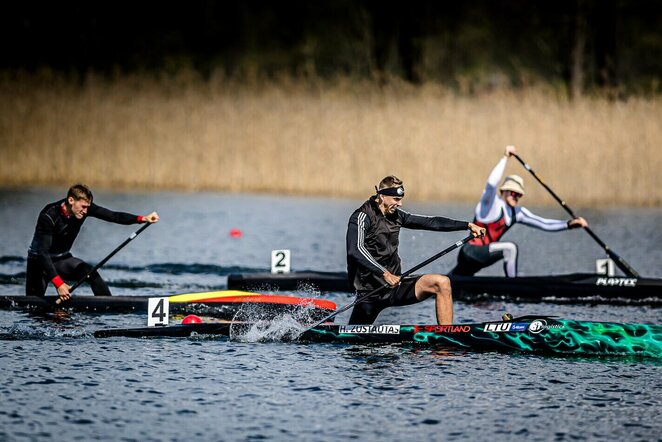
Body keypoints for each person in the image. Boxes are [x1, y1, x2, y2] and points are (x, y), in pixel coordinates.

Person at [346, 175, 485, 325]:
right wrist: (384, 273)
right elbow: (355, 249)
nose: (400, 204)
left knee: (442, 282)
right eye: (396, 199)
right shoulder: (361, 216)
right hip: (370, 293)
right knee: (355, 344)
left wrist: (467, 225)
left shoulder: (397, 216)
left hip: (395, 287)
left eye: (401, 199)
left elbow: (431, 222)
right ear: (382, 196)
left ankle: (446, 336)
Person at [449, 145, 588, 278]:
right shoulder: (490, 204)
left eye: (519, 194)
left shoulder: (518, 212)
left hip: (481, 257)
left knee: (451, 281)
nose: (516, 197)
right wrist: (505, 157)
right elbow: (491, 183)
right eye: (513, 193)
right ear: (503, 191)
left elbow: (544, 224)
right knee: (510, 248)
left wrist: (569, 224)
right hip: (470, 252)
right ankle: (513, 285)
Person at [26, 184, 159, 300]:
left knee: (91, 273)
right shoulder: (49, 215)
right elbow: (42, 253)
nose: (85, 211)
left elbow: (114, 216)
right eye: (83, 207)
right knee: (33, 309)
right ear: (71, 200)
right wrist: (59, 284)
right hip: (39, 263)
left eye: (87, 207)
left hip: (63, 259)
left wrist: (143, 218)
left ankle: (110, 309)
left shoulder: (85, 209)